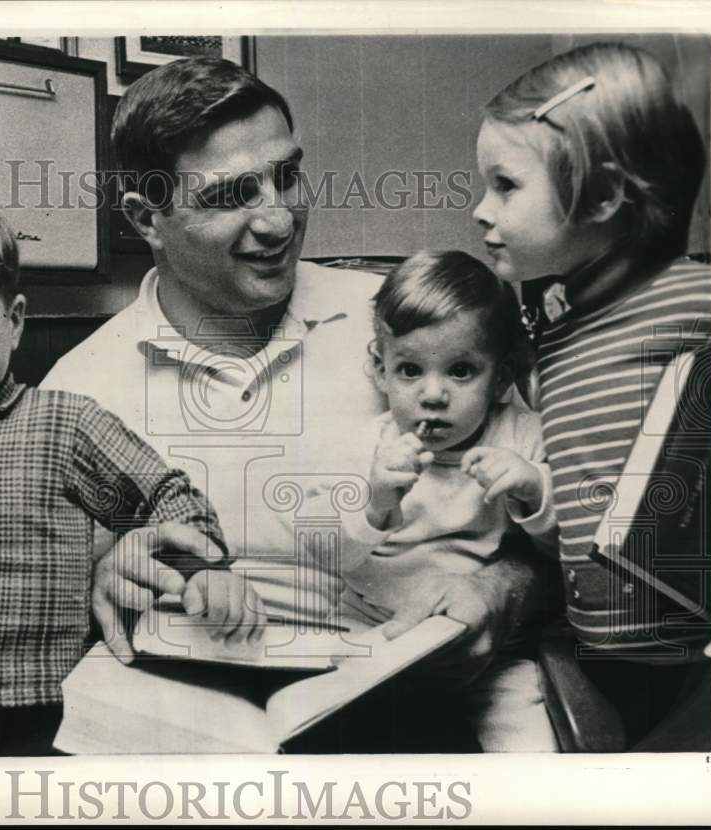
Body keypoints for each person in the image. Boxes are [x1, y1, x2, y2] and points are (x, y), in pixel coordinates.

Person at [41, 57, 561, 750]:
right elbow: (38, 606)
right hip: (191, 728)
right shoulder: (77, 391)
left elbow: (555, 529)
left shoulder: (408, 331)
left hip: (406, 707)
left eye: (286, 175)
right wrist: (99, 573)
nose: (280, 219)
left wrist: (503, 590)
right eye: (231, 196)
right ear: (148, 219)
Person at [0, 187, 263, 757]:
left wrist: (202, 570)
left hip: (44, 715)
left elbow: (163, 496)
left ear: (15, 322)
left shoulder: (64, 425)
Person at [473, 41, 711, 749]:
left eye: (506, 185)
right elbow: (583, 507)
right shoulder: (552, 329)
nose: (481, 210)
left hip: (694, 663)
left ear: (604, 196)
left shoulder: (696, 300)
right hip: (595, 651)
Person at [325, 250, 559, 751]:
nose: (432, 396)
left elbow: (567, 552)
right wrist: (376, 504)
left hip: (488, 647)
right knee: (348, 732)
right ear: (380, 370)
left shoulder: (522, 438)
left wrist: (535, 490)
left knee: (529, 737)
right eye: (410, 370)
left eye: (460, 371)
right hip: (373, 629)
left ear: (501, 376)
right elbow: (333, 557)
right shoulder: (368, 447)